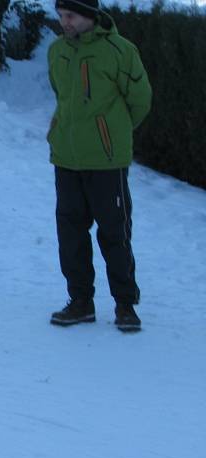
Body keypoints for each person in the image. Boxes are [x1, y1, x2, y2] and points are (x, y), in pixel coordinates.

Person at [47, 0, 151, 332]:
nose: (65, 22)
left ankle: (125, 305)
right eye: (61, 16)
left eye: (71, 16)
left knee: (115, 234)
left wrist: (112, 132)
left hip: (107, 162)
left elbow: (140, 99)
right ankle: (80, 303)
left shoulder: (120, 50)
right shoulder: (57, 52)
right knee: (71, 234)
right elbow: (60, 94)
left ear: (90, 16)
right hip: (66, 157)